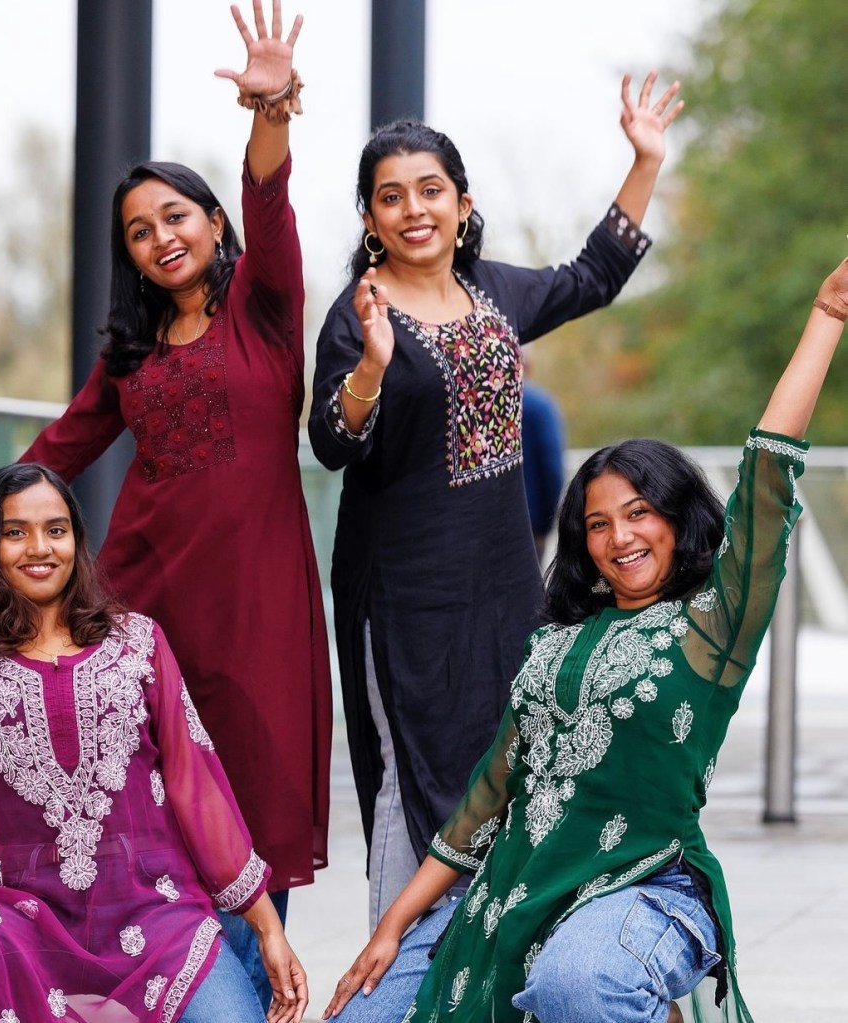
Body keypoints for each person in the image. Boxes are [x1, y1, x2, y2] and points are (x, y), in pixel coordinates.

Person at [0, 1, 331, 1006]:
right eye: (139, 232)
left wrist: (270, 113)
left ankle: (242, 984)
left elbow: (271, 206)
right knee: (141, 802)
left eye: (175, 216)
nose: (159, 238)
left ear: (211, 223)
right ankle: (120, 973)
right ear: (130, 256)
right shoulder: (131, 353)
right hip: (142, 598)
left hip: (258, 608)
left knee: (254, 798)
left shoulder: (266, 312)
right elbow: (64, 442)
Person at [321, 257, 848, 1023]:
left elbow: (767, 479)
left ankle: (655, 994)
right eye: (597, 523)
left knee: (579, 986)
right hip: (508, 895)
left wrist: (827, 318)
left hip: (643, 884)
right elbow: (480, 806)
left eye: (639, 513)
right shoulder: (554, 645)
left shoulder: (712, 624)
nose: (619, 536)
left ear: (675, 519)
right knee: (358, 1014)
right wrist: (391, 929)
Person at [308, 72, 683, 932]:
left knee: (513, 766)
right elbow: (332, 442)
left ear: (461, 203)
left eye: (430, 191)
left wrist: (645, 160)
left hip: (503, 587)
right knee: (416, 781)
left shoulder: (494, 297)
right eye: (391, 197)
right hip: (403, 597)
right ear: (369, 219)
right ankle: (404, 973)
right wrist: (369, 365)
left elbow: (594, 275)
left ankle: (496, 959)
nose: (413, 210)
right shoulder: (357, 312)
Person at [0, 463, 308, 1023]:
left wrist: (267, 930)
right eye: (15, 532)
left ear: (76, 540)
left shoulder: (138, 642)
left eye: (56, 529)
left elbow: (194, 784)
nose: (40, 548)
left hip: (155, 919)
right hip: (17, 921)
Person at [520, 349, 566, 562]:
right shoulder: (539, 407)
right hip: (531, 523)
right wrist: (547, 523)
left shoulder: (476, 406)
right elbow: (552, 468)